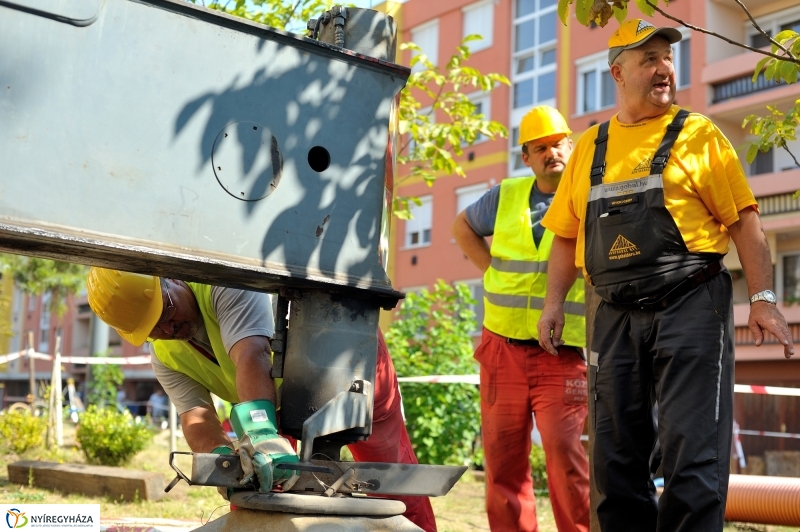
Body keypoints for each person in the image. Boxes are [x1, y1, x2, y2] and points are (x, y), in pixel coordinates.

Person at [537, 18, 795, 532]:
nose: (664, 69)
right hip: (612, 316)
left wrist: (763, 297)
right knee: (614, 461)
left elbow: (744, 219)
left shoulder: (699, 135)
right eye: (649, 59)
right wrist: (551, 305)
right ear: (617, 72)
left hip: (691, 306)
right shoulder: (589, 146)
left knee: (692, 459)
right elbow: (566, 233)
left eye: (668, 58)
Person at [86, 267, 436, 532]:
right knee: (256, 495)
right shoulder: (165, 355)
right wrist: (223, 461)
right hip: (272, 404)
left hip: (347, 364)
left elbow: (251, 354)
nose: (166, 328)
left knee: (392, 480)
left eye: (167, 310)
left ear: (172, 279)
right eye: (152, 329)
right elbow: (195, 414)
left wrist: (262, 434)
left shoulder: (221, 283)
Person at [452, 105, 590, 532]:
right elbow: (462, 228)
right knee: (503, 461)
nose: (552, 153)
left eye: (558, 143)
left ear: (571, 145)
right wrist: (490, 268)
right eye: (540, 147)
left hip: (562, 353)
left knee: (566, 457)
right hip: (501, 350)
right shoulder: (506, 195)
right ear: (526, 157)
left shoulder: (587, 196)